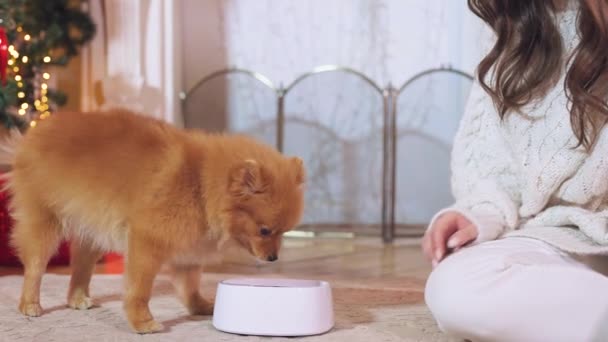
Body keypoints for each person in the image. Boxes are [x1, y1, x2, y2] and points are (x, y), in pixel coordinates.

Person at [422, 0, 608, 341]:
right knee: (455, 289)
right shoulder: (512, 28)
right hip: (560, 239)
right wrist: (479, 215)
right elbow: (494, 169)